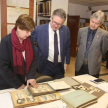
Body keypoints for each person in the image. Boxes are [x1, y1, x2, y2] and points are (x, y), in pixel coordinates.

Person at [0, 14, 38, 90]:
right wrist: (17, 84)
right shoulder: (6, 41)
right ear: (18, 28)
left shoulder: (29, 39)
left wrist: (30, 76)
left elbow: (34, 57)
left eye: (30, 31)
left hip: (24, 81)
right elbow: (3, 67)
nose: (29, 34)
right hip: (9, 84)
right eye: (27, 31)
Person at [31, 8, 71, 79]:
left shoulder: (65, 30)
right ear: (50, 18)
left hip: (59, 66)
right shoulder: (39, 29)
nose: (56, 26)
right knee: (44, 85)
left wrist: (67, 61)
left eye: (59, 24)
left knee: (60, 87)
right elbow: (29, 42)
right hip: (46, 64)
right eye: (54, 22)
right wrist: (38, 52)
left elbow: (67, 46)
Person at [75, 10, 108, 78]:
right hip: (80, 64)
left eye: (96, 23)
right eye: (92, 21)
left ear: (100, 24)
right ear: (90, 20)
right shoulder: (81, 31)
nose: (93, 25)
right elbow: (79, 44)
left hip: (93, 66)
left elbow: (104, 50)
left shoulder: (104, 34)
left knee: (91, 87)